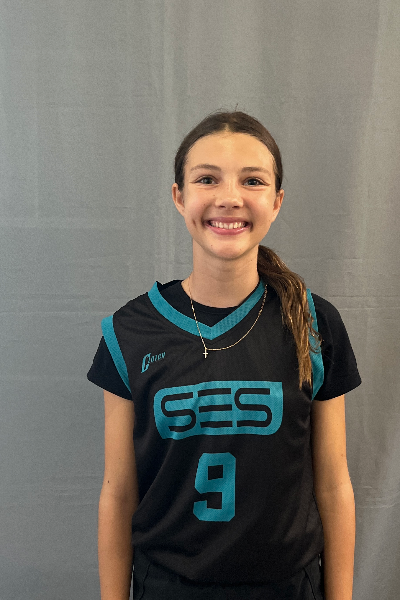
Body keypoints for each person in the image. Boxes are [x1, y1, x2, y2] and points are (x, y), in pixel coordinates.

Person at [87, 111, 361, 600]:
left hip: (287, 587)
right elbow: (119, 492)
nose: (229, 197)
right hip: (168, 586)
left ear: (276, 201)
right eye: (207, 179)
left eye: (252, 180)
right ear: (179, 197)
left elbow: (334, 484)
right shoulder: (129, 331)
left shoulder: (313, 323)